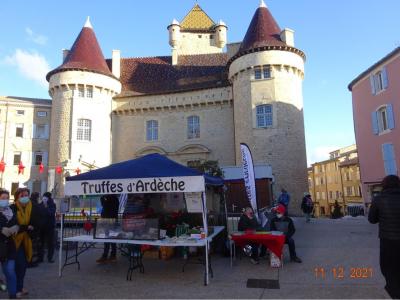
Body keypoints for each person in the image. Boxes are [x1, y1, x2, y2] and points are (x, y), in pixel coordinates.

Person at [368, 175, 400, 299]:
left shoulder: (378, 199)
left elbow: (372, 220)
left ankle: (394, 292)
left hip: (387, 240)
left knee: (388, 266)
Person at [11, 188, 41, 298]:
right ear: (17, 197)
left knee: (22, 266)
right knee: (19, 265)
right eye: (22, 195)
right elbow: (13, 224)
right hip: (14, 241)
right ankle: (17, 288)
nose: (25, 197)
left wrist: (29, 228)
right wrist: (26, 227)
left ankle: (19, 286)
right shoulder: (12, 208)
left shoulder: (32, 207)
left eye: (26, 195)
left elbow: (36, 222)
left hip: (27, 240)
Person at [0, 190, 19, 299]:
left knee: (10, 272)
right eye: (2, 198)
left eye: (7, 198)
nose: (5, 200)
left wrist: (17, 227)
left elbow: (17, 223)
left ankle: (12, 295)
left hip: (10, 247)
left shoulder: (11, 211)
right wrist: (1, 229)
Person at [96, 194, 119, 263]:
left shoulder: (113, 199)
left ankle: (109, 255)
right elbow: (104, 204)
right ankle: (109, 255)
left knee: (110, 238)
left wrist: (104, 197)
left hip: (111, 220)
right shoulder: (109, 198)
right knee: (108, 238)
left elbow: (105, 205)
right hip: (107, 220)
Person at [37, 192, 56, 263]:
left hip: (50, 226)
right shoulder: (40, 205)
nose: (44, 198)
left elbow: (51, 213)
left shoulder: (52, 205)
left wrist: (46, 207)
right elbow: (38, 214)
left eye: (46, 197)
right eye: (44, 197)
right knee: (41, 243)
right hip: (41, 227)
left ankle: (50, 258)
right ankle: (40, 258)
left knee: (50, 243)